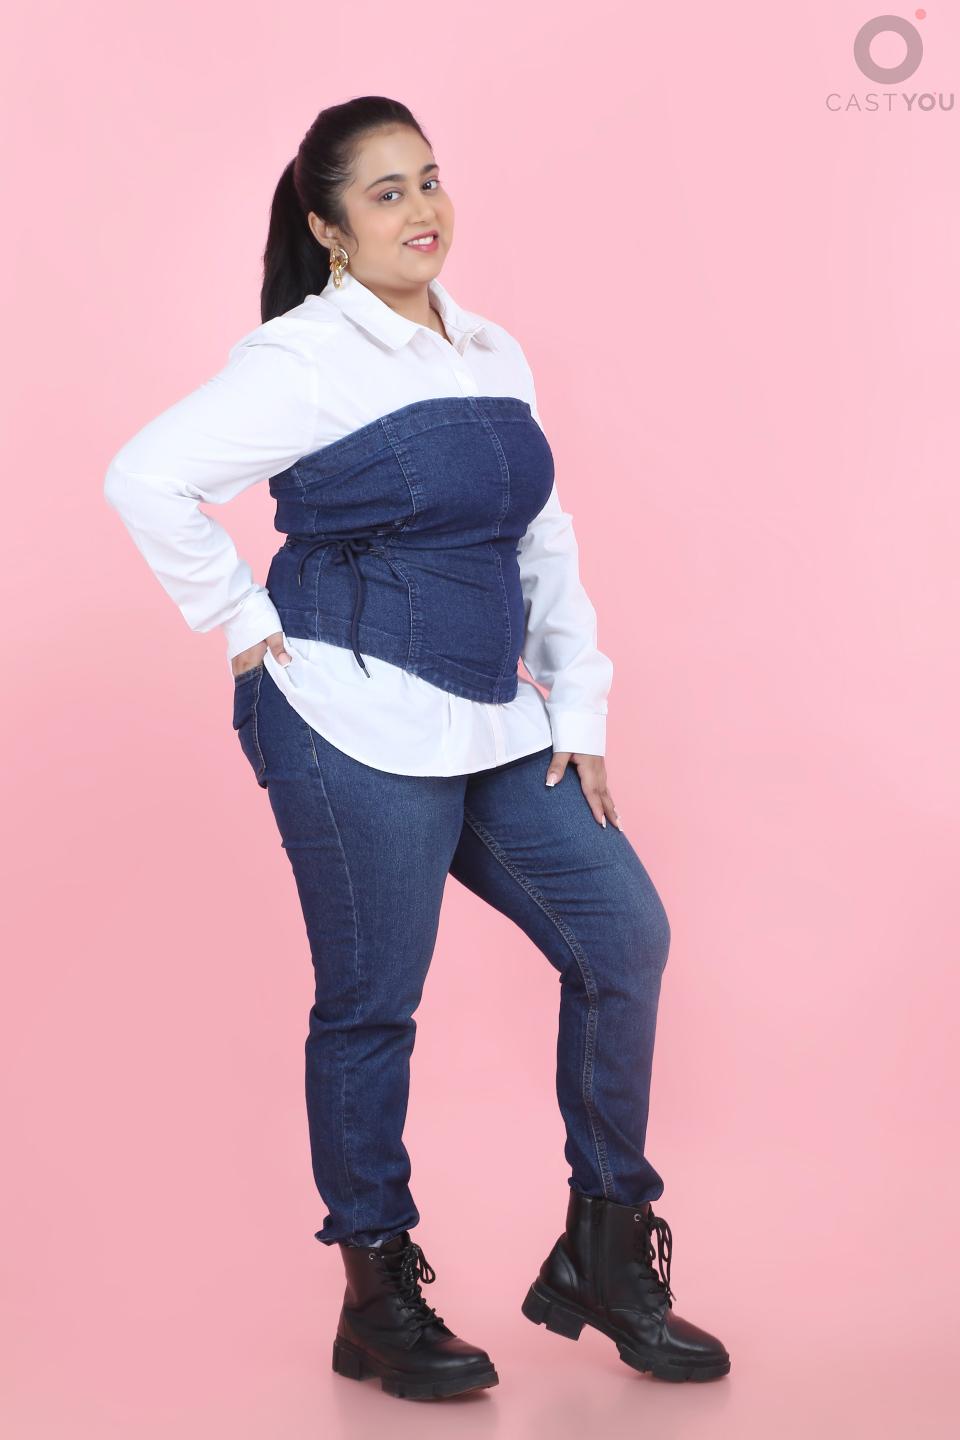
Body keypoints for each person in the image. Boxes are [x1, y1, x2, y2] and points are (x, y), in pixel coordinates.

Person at [103, 95, 730, 1398]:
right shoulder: (300, 358)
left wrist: (580, 711)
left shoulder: (493, 349)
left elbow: (540, 538)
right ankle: (377, 1294)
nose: (422, 208)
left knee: (623, 939)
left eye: (430, 179)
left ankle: (606, 1252)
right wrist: (241, 622)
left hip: (497, 721)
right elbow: (145, 476)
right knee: (373, 1004)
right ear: (331, 229)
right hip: (348, 714)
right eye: (385, 192)